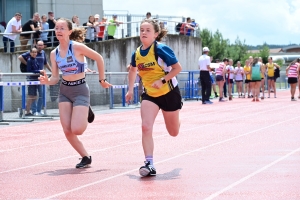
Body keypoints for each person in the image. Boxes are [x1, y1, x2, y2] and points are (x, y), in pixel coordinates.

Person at [38, 18, 111, 168]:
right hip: (65, 90)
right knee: (67, 130)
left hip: (80, 90)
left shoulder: (77, 47)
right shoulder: (54, 53)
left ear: (70, 31)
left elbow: (99, 58)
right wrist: (47, 81)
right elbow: (56, 77)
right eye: (56, 28)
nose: (58, 30)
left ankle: (85, 110)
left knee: (77, 129)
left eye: (62, 28)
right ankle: (85, 156)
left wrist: (102, 80)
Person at [125, 19, 182, 177]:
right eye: (141, 29)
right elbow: (132, 70)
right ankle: (149, 163)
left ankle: (177, 118)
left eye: (148, 30)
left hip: (169, 93)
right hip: (150, 95)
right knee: (145, 127)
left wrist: (162, 80)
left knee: (173, 132)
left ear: (155, 34)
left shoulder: (161, 49)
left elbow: (178, 68)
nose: (143, 32)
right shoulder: (136, 53)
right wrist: (130, 90)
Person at [19, 40, 52, 115]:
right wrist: (28, 64)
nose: (40, 47)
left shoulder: (42, 53)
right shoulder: (31, 57)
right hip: (32, 77)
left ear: (43, 46)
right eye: (38, 45)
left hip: (40, 77)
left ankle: (38, 110)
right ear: (36, 45)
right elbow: (20, 57)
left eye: (41, 45)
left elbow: (45, 63)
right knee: (32, 95)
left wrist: (51, 71)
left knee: (40, 94)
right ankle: (32, 111)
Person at [25, 47, 44, 116]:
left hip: (37, 80)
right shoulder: (29, 60)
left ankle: (35, 110)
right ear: (30, 53)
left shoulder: (35, 60)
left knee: (35, 96)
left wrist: (40, 72)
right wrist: (39, 71)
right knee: (31, 96)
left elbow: (38, 69)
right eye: (33, 52)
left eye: (35, 52)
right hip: (32, 80)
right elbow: (29, 70)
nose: (34, 53)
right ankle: (26, 111)